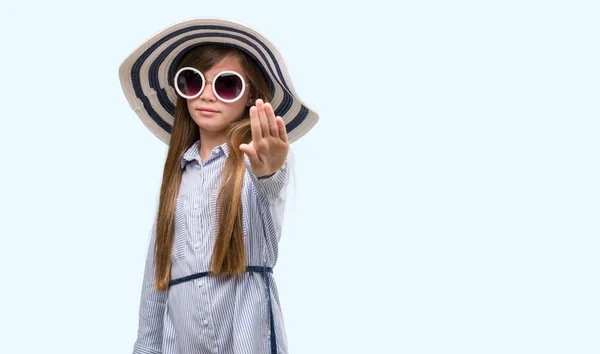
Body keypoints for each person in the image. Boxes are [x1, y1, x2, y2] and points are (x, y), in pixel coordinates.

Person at [118, 18, 319, 354]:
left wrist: (270, 169)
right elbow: (156, 281)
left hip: (245, 336)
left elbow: (270, 186)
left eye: (226, 85)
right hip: (178, 340)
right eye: (192, 82)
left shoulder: (257, 163)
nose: (207, 96)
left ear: (250, 95)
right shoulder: (177, 179)